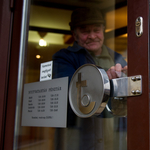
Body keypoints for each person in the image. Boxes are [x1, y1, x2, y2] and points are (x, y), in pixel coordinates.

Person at [52, 7, 127, 150]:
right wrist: (107, 79)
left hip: (115, 135)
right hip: (79, 136)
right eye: (85, 31)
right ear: (75, 34)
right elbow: (71, 93)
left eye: (96, 29)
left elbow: (128, 97)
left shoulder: (117, 58)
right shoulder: (64, 58)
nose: (92, 36)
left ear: (103, 30)